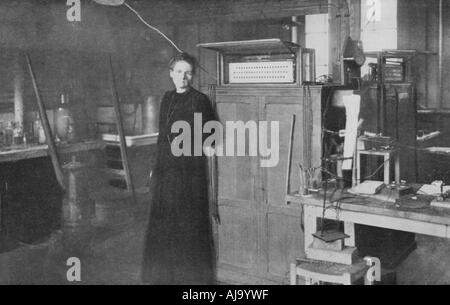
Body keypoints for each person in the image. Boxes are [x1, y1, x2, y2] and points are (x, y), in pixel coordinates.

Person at [142, 52, 217, 285]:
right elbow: (162, 137)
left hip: (190, 171)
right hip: (166, 170)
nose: (183, 76)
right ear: (171, 74)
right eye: (178, 72)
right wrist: (156, 167)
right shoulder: (166, 98)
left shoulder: (200, 100)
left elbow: (211, 138)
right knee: (165, 224)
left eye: (188, 72)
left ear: (192, 75)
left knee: (189, 224)